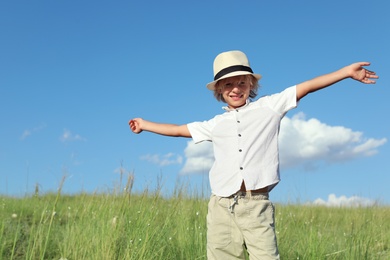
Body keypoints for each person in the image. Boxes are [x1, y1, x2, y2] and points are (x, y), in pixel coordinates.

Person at [128, 50, 378, 259]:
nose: (235, 88)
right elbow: (178, 130)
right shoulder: (216, 124)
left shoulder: (269, 106)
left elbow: (307, 87)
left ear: (251, 84)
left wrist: (345, 72)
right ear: (219, 90)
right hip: (221, 206)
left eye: (241, 82)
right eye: (228, 84)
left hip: (256, 204)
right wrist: (144, 124)